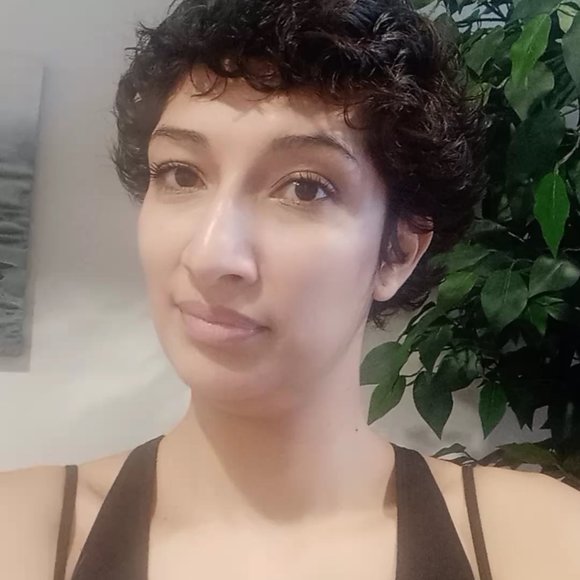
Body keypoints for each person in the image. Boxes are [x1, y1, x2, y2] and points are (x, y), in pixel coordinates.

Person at [2, 0, 580, 578]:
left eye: (305, 188)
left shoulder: (537, 543)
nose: (211, 255)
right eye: (181, 173)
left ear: (397, 252)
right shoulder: (20, 533)